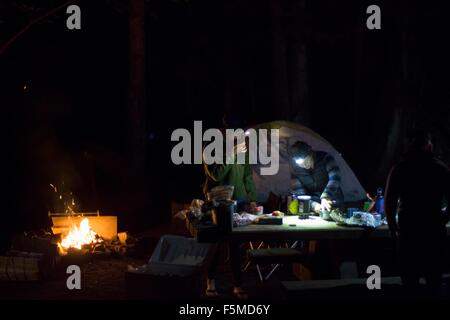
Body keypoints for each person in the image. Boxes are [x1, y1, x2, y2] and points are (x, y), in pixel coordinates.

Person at [384, 129, 450, 294]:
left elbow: (389, 201)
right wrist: (444, 218)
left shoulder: (400, 168)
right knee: (434, 280)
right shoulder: (441, 169)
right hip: (434, 230)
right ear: (429, 146)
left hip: (408, 230)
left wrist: (393, 226)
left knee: (409, 281)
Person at [202, 113, 257, 299]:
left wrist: (251, 198)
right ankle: (210, 281)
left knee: (236, 245)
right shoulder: (210, 146)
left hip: (239, 199)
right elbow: (216, 174)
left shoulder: (242, 146)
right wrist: (231, 152)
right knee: (216, 244)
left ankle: (238, 284)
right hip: (219, 201)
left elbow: (247, 174)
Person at [289, 141, 344, 214]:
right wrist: (313, 205)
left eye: (306, 161)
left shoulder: (325, 158)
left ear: (311, 153)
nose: (304, 165)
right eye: (300, 164)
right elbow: (299, 194)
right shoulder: (295, 170)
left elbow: (335, 177)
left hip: (333, 200)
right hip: (314, 205)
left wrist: (326, 196)